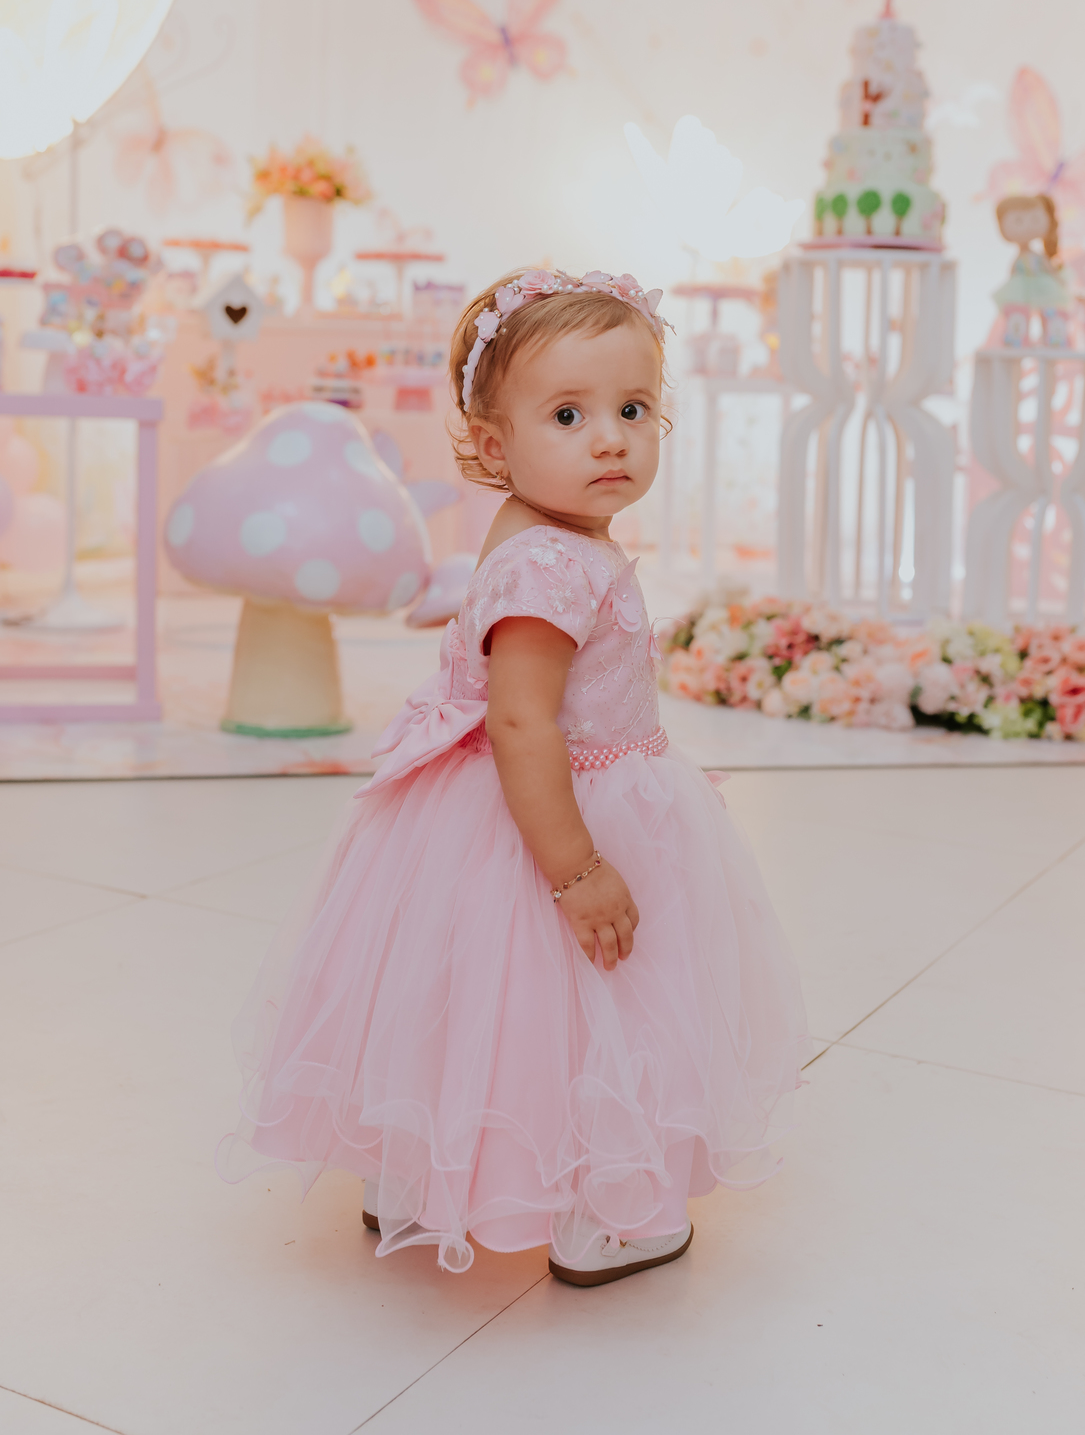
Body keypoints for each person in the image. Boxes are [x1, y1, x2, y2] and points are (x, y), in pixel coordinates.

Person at [217, 267, 809, 1286]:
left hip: (476, 815)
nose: (612, 438)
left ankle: (409, 1168)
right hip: (557, 810)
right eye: (570, 415)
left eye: (634, 409)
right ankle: (607, 1206)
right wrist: (578, 870)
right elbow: (525, 719)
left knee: (456, 1002)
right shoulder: (552, 569)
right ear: (495, 448)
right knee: (592, 1001)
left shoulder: (542, 531)